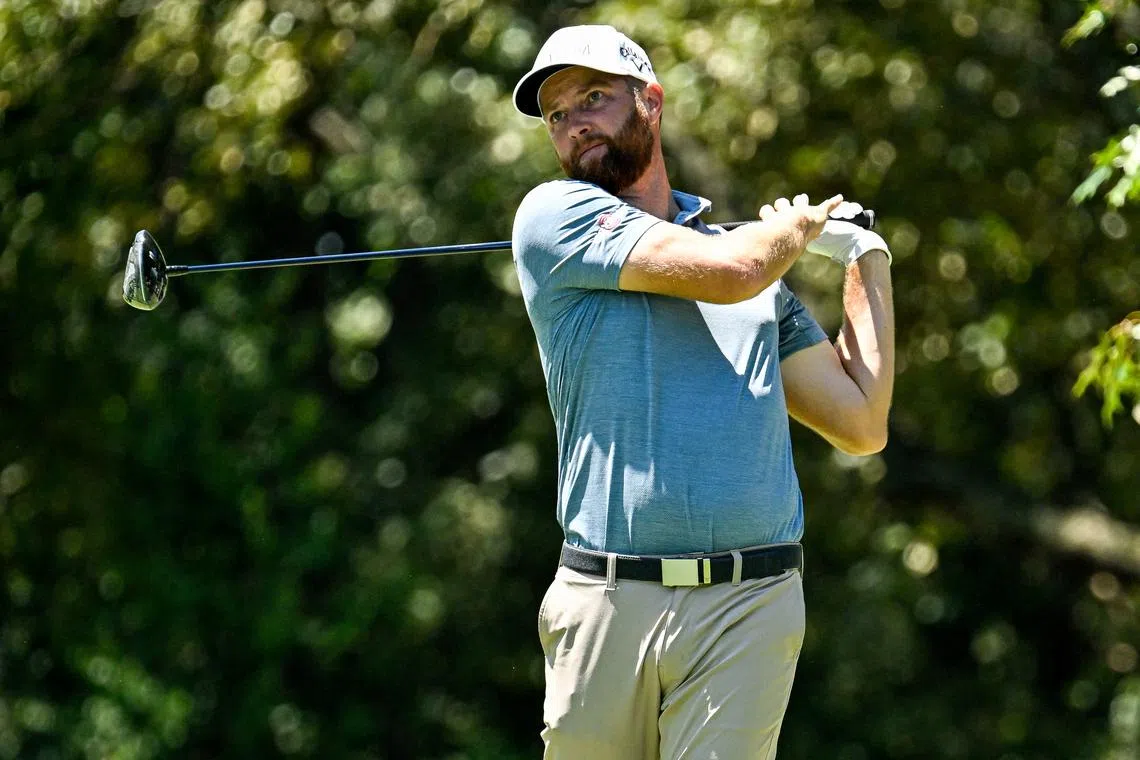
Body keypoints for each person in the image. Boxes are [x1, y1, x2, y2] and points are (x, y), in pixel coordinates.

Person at [510, 24, 895, 760]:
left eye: (594, 98)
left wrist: (865, 261)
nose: (575, 124)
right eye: (558, 115)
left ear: (649, 102)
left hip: (748, 603)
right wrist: (792, 230)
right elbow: (732, 274)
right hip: (606, 601)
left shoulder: (745, 255)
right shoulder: (553, 219)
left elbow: (860, 422)